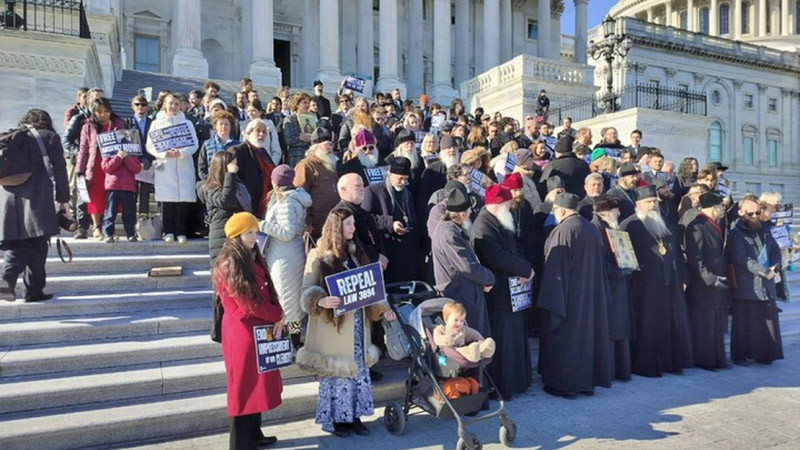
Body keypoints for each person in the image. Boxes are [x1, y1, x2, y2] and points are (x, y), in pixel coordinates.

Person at [296, 208, 396, 437]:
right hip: (334, 327)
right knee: (338, 375)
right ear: (336, 227)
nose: (352, 229)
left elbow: (371, 287)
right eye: (348, 224)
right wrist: (320, 300)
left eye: (352, 224)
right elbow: (306, 289)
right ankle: (338, 420)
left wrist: (384, 309)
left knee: (358, 371)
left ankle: (356, 416)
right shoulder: (319, 254)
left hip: (359, 325)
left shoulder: (356, 252)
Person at [213, 212, 284, 450]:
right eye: (249, 233)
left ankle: (254, 434)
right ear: (236, 235)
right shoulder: (230, 261)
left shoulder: (250, 257)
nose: (255, 237)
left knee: (259, 383)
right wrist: (276, 314)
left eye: (255, 231)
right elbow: (247, 304)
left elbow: (268, 290)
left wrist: (280, 311)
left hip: (258, 329)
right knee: (243, 387)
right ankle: (240, 443)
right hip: (241, 333)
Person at [537, 192, 612, 398]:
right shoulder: (590, 228)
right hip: (590, 296)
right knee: (586, 340)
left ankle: (564, 385)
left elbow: (555, 273)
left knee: (566, 341)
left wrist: (549, 303)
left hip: (567, 299)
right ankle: (585, 383)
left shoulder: (562, 231)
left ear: (561, 210)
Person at [621, 185, 693, 377]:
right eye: (648, 202)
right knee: (648, 323)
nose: (652, 205)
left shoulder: (666, 223)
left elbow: (677, 252)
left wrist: (683, 277)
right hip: (643, 284)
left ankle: (670, 363)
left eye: (654, 201)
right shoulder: (629, 225)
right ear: (638, 204)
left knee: (670, 323)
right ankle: (647, 366)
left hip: (669, 281)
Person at [0, 109, 70, 303]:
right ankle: (16, 283)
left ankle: (28, 288)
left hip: (9, 198)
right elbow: (60, 171)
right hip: (37, 197)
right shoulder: (50, 137)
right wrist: (64, 200)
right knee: (35, 243)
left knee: (24, 243)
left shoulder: (13, 136)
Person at [472, 184, 535, 400]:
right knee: (504, 339)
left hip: (512, 290)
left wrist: (526, 267)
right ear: (497, 204)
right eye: (507, 203)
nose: (510, 206)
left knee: (515, 336)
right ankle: (504, 386)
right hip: (498, 293)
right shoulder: (483, 225)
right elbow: (496, 257)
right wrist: (525, 269)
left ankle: (518, 382)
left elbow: (514, 249)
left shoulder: (498, 219)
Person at [431, 183, 496, 337]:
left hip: (462, 292)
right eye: (469, 211)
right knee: (470, 340)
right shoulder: (449, 233)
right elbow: (467, 267)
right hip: (461, 295)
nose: (471, 213)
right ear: (461, 214)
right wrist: (489, 278)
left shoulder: (448, 228)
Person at [727, 195, 784, 365]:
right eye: (750, 214)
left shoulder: (764, 229)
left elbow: (775, 250)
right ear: (741, 212)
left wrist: (774, 266)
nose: (754, 217)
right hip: (748, 285)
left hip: (766, 283)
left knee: (767, 319)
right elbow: (742, 260)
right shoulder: (736, 232)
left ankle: (765, 354)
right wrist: (764, 271)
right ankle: (741, 355)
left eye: (757, 213)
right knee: (745, 323)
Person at [262, 165, 312, 351]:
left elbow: (287, 233)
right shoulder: (294, 197)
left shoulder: (286, 202)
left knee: (285, 301)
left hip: (285, 257)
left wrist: (261, 225)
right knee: (291, 301)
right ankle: (294, 341)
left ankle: (288, 344)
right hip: (290, 254)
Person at [684, 192, 731, 371]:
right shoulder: (697, 226)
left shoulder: (716, 224)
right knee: (705, 324)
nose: (723, 210)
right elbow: (696, 258)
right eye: (721, 206)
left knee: (716, 324)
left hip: (718, 282)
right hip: (704, 285)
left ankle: (717, 359)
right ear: (713, 207)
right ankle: (705, 360)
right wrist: (711, 279)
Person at [146, 93, 199, 244]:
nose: (173, 107)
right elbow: (150, 145)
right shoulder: (157, 124)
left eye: (176, 104)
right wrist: (164, 153)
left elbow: (194, 144)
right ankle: (168, 230)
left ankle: (181, 231)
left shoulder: (187, 123)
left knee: (182, 200)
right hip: (166, 165)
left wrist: (181, 153)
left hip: (183, 165)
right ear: (164, 104)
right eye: (170, 103)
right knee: (167, 200)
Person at [591, 196, 633, 381]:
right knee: (609, 329)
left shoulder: (609, 227)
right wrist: (620, 271)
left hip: (618, 284)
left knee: (618, 327)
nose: (619, 213)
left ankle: (620, 370)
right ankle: (607, 372)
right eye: (616, 210)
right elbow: (600, 261)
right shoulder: (596, 229)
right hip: (607, 286)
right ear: (607, 212)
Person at [361, 157, 422, 283]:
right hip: (387, 248)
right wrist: (390, 223)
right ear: (390, 174)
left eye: (406, 179)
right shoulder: (373, 191)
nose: (403, 182)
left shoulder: (407, 193)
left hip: (407, 250)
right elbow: (366, 218)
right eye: (400, 178)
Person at [74, 98, 125, 241]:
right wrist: (80, 169)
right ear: (93, 112)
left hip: (114, 165)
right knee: (95, 197)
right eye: (99, 112)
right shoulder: (88, 127)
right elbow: (83, 149)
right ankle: (96, 226)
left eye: (106, 111)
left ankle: (109, 226)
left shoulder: (119, 125)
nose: (103, 115)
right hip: (94, 165)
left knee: (112, 198)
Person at [335, 173, 386, 266]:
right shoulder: (339, 214)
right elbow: (348, 243)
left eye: (363, 185)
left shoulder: (362, 211)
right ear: (344, 190)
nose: (363, 189)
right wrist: (375, 256)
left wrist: (381, 254)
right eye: (358, 186)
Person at [293, 139, 340, 241]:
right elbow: (299, 195)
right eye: (326, 145)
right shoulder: (306, 165)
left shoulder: (329, 163)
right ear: (315, 147)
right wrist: (307, 222)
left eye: (331, 144)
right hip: (315, 227)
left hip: (333, 223)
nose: (330, 148)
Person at [229, 120, 277, 217]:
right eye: (258, 131)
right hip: (246, 206)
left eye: (264, 132)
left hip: (265, 204)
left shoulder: (264, 153)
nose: (261, 134)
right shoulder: (238, 151)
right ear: (248, 133)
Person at [100, 144, 142, 243]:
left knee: (129, 213)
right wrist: (118, 157)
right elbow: (106, 168)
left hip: (128, 187)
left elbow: (137, 169)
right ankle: (108, 234)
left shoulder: (132, 153)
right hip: (113, 186)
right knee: (110, 212)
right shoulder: (108, 152)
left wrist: (126, 157)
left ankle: (131, 234)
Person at [126, 95, 155, 214]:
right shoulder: (127, 122)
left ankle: (144, 222)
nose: (140, 107)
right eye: (137, 104)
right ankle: (131, 224)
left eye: (143, 104)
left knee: (145, 196)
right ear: (132, 106)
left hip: (148, 162)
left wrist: (149, 159)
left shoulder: (153, 123)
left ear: (147, 107)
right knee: (131, 195)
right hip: (133, 163)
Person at [198, 111, 240, 180]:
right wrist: (208, 180)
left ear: (230, 127)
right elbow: (202, 167)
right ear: (215, 126)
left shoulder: (238, 145)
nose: (223, 126)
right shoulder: (207, 144)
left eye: (226, 124)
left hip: (232, 182)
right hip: (212, 184)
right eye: (221, 124)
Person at [281, 93, 314, 167]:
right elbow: (289, 140)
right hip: (297, 157)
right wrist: (300, 138)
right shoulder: (290, 119)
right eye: (304, 103)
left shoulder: (311, 118)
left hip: (310, 156)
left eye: (308, 103)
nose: (307, 105)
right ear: (297, 104)